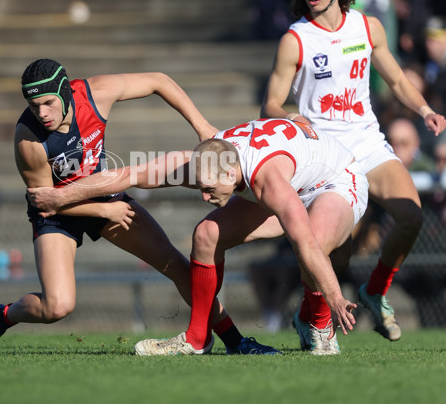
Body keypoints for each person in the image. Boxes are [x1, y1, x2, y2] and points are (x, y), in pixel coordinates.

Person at [0, 58, 278, 356]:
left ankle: (236, 342)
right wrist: (102, 212)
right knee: (57, 306)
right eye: (34, 106)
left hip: (102, 195)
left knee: (182, 270)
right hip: (60, 215)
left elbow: (158, 80)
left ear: (65, 92)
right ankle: (2, 316)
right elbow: (45, 204)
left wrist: (201, 125)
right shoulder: (28, 140)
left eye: (48, 103)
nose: (42, 113)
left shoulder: (97, 94)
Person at [26, 117, 369, 355]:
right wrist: (61, 197)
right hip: (292, 178)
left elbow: (307, 244)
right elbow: (126, 174)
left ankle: (320, 324)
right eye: (201, 187)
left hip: (337, 180)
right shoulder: (203, 162)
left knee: (313, 239)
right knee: (206, 233)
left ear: (232, 172)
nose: (204, 196)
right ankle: (196, 338)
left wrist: (336, 298)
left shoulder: (268, 181)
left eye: (209, 189)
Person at [259, 0, 446, 343]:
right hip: (324, 154)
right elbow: (270, 104)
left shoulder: (367, 27)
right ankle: (311, 316)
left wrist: (426, 108)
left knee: (411, 215)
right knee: (331, 250)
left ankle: (375, 291)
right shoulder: (296, 39)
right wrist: (288, 114)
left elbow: (396, 80)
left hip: (366, 143)